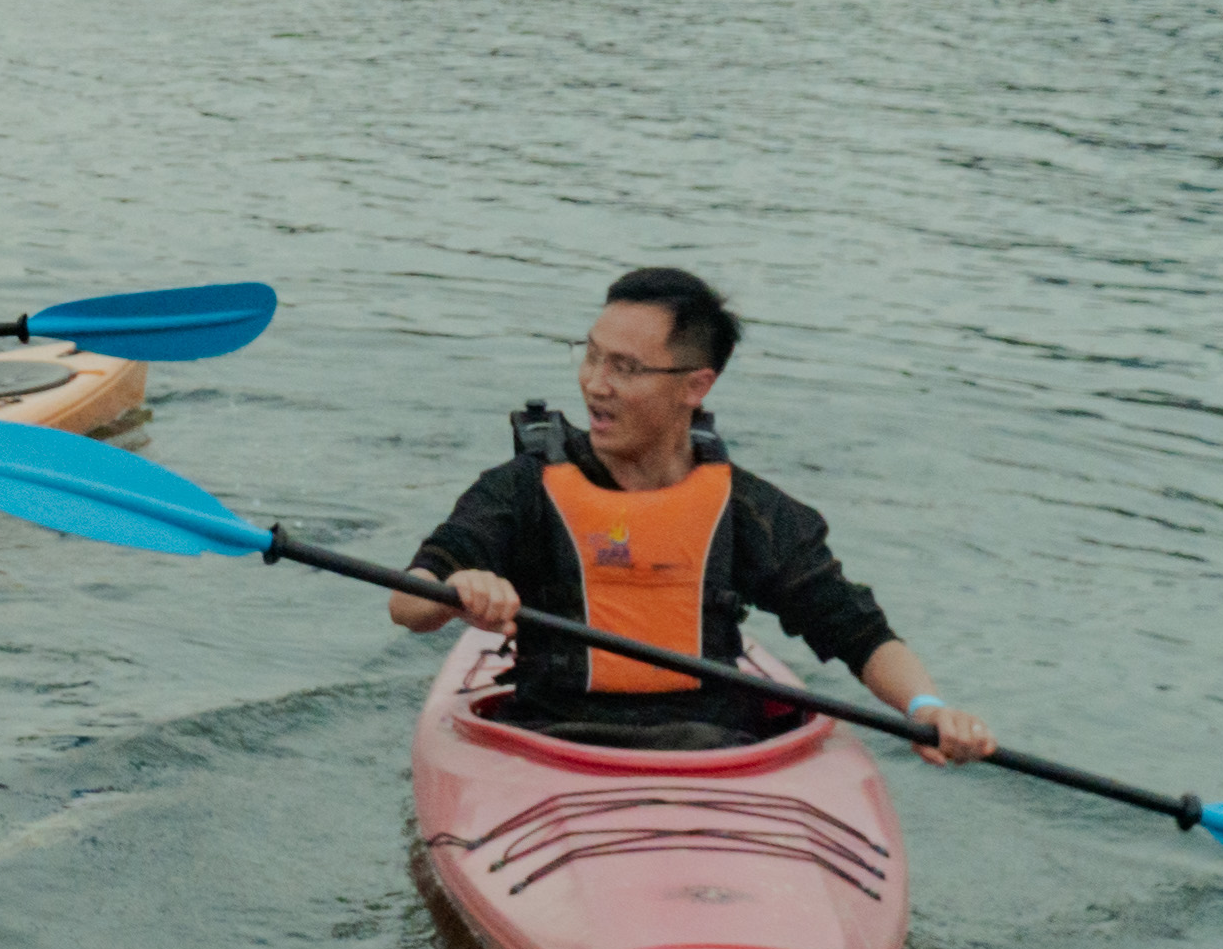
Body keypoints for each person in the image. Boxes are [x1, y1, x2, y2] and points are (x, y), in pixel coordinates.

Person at [401, 266, 994, 763]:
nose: (594, 384)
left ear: (696, 386)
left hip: (714, 751)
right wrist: (458, 589)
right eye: (591, 356)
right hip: (550, 741)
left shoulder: (748, 510)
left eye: (625, 368)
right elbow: (408, 602)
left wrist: (928, 708)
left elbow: (857, 631)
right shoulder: (524, 490)